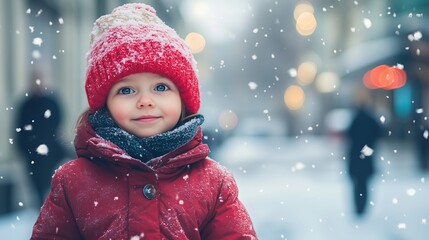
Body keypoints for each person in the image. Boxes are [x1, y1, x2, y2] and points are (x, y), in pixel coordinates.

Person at [31, 3, 257, 239]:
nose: (145, 101)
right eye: (127, 90)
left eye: (160, 87)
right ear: (105, 102)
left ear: (183, 99)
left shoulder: (213, 183)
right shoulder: (73, 182)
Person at [14, 67, 65, 208]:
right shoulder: (26, 104)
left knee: (48, 181)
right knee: (36, 183)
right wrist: (23, 147)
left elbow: (58, 121)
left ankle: (48, 207)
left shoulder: (51, 101)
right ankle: (42, 207)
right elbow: (19, 127)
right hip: (32, 151)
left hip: (49, 149)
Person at [345, 88, 382, 217]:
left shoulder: (354, 120)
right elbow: (378, 134)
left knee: (357, 184)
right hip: (366, 156)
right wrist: (367, 150)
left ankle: (358, 207)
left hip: (356, 157)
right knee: (364, 184)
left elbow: (349, 136)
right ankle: (363, 207)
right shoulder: (370, 119)